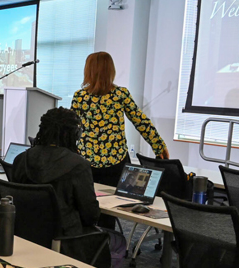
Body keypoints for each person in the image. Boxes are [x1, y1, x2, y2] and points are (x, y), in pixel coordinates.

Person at [11, 107, 126, 268]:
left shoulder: (21, 159)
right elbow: (91, 216)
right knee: (118, 241)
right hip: (67, 243)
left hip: (25, 236)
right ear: (74, 134)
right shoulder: (78, 165)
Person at [71, 52, 169, 186]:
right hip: (117, 163)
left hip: (86, 162)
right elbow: (140, 122)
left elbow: (71, 127)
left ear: (88, 70)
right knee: (118, 202)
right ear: (111, 71)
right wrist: (159, 146)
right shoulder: (120, 94)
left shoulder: (79, 96)